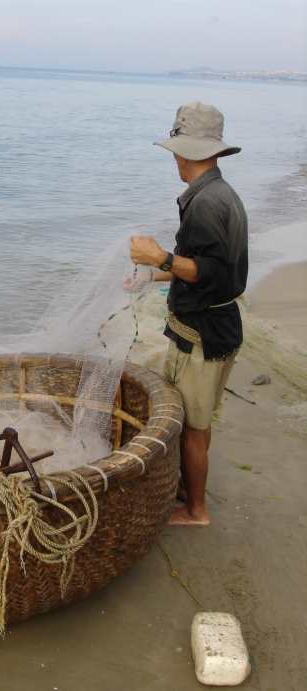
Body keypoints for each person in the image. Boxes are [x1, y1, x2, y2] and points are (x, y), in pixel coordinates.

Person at [130, 102, 248, 526]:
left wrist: (159, 256)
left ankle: (196, 510)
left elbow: (208, 271)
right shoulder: (222, 194)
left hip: (201, 334)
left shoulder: (203, 204)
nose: (175, 160)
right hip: (221, 326)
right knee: (200, 421)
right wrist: (153, 275)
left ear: (188, 153)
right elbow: (215, 270)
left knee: (193, 428)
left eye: (177, 151)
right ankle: (187, 490)